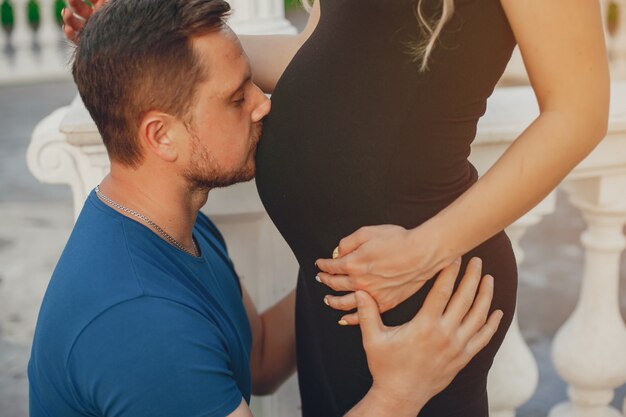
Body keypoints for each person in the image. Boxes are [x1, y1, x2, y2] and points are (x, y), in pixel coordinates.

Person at [62, 0, 610, 415]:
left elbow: (578, 112)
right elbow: (327, 59)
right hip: (334, 284)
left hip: (417, 279)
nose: (259, 109)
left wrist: (424, 250)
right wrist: (145, 49)